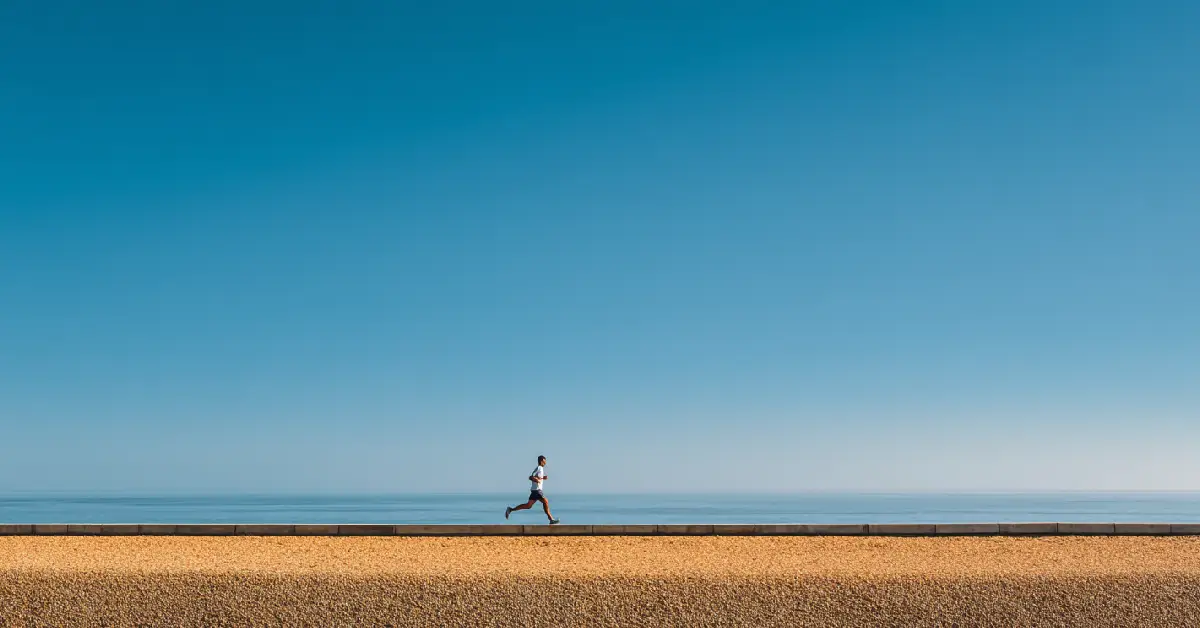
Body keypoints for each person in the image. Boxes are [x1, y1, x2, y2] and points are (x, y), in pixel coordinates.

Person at [505, 455, 559, 524]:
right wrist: (535, 479)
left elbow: (537, 477)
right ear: (542, 461)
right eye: (545, 461)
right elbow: (531, 477)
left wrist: (543, 478)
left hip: (535, 490)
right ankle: (551, 519)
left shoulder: (541, 469)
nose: (545, 463)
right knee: (545, 501)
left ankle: (510, 509)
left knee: (528, 506)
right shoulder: (539, 468)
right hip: (537, 490)